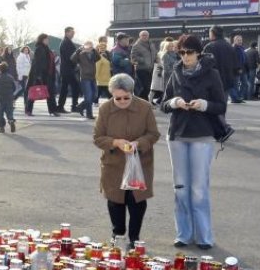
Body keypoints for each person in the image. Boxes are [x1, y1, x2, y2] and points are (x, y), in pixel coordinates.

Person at [161, 34, 227, 249]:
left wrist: (203, 104)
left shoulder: (212, 73)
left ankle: (205, 236)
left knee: (199, 188)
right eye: (181, 52)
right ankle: (183, 234)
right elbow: (163, 104)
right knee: (180, 187)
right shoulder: (175, 72)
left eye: (189, 52)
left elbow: (221, 105)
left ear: (198, 52)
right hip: (177, 135)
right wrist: (174, 101)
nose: (185, 56)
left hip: (202, 135)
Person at [93, 73, 160, 248]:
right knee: (115, 200)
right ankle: (118, 233)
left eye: (126, 98)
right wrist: (115, 142)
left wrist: (138, 143)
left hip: (140, 162)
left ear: (132, 93)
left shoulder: (145, 107)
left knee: (136, 200)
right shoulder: (105, 109)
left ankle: (134, 237)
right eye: (117, 98)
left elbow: (154, 134)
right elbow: (97, 137)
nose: (122, 101)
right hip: (114, 163)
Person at [203, 25, 238, 103]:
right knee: (222, 104)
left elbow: (204, 64)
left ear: (212, 33)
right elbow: (235, 63)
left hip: (213, 80)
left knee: (212, 105)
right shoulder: (229, 46)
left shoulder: (210, 46)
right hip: (227, 79)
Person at [25, 33, 58, 116]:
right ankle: (28, 110)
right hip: (40, 75)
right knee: (34, 92)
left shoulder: (47, 48)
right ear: (42, 39)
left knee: (50, 93)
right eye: (46, 39)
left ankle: (52, 111)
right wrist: (38, 76)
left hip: (48, 75)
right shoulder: (39, 48)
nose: (48, 40)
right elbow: (37, 63)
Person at [72, 41, 98, 119]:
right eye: (88, 46)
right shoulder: (81, 54)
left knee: (94, 95)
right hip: (85, 77)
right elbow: (72, 59)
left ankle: (80, 106)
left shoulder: (93, 54)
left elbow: (99, 58)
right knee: (89, 95)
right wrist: (79, 50)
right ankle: (89, 114)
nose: (89, 48)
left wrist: (94, 50)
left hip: (93, 77)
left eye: (91, 46)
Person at [58, 26, 79, 113]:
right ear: (66, 32)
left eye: (73, 32)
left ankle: (61, 106)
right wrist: (77, 54)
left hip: (67, 69)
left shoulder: (67, 42)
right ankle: (73, 106)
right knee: (75, 87)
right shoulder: (66, 43)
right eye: (72, 32)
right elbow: (69, 57)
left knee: (65, 88)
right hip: (67, 69)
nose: (73, 34)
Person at [131, 30, 156, 100]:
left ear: (148, 36)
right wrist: (143, 60)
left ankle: (144, 100)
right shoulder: (136, 45)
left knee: (149, 86)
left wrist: (156, 59)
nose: (145, 36)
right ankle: (141, 100)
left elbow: (154, 53)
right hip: (141, 69)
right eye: (143, 35)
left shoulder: (151, 44)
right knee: (143, 87)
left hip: (150, 69)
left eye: (146, 35)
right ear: (140, 36)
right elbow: (133, 57)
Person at [0, 62, 17, 133]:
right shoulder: (11, 78)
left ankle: (2, 127)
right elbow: (14, 87)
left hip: (1, 97)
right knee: (9, 110)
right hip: (9, 96)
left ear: (0, 70)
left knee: (1, 112)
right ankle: (11, 120)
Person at [233, 35, 249, 101]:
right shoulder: (234, 48)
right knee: (236, 85)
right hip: (237, 69)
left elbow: (244, 58)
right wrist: (238, 68)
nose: (240, 41)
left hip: (243, 68)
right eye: (238, 40)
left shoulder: (242, 48)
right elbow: (234, 60)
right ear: (235, 41)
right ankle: (236, 98)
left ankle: (239, 96)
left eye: (241, 40)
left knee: (245, 84)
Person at [95, 37, 111, 103]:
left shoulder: (107, 52)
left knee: (100, 90)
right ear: (100, 41)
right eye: (104, 41)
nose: (106, 42)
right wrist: (96, 76)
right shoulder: (96, 52)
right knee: (101, 89)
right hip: (101, 76)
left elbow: (109, 61)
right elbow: (97, 65)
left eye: (106, 41)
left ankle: (94, 101)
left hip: (106, 75)